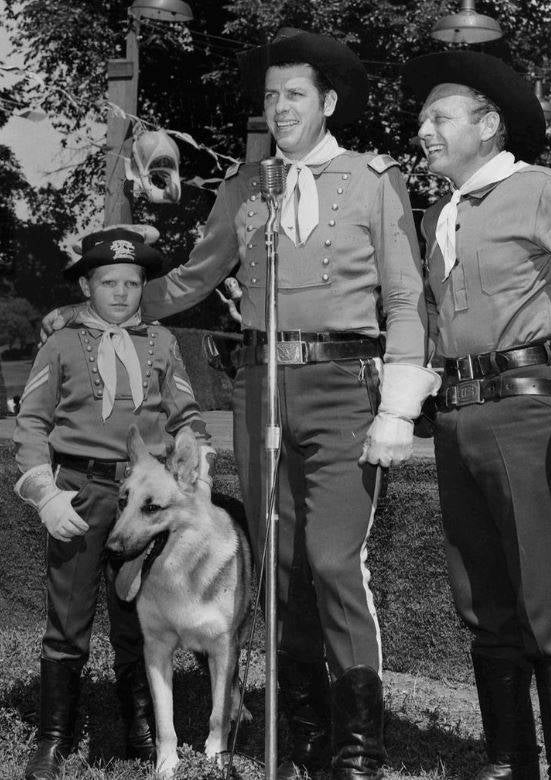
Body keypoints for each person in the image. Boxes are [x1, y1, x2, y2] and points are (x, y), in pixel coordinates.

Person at [42, 28, 439, 780]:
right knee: (279, 563)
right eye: (270, 96)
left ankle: (358, 745)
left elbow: (405, 298)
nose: (280, 107)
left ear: (327, 103)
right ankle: (303, 731)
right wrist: (106, 306)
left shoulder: (374, 178)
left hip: (342, 385)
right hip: (261, 387)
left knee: (332, 559)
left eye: (295, 94)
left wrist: (398, 406)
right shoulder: (245, 188)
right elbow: (192, 279)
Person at [401, 49, 551, 779]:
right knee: (480, 598)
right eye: (422, 119)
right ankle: (509, 762)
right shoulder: (438, 214)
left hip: (526, 413)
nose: (424, 131)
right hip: (457, 417)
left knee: (540, 599)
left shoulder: (542, 190)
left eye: (440, 117)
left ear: (489, 123)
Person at [14, 225, 210, 779]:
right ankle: (54, 737)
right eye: (108, 282)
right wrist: (45, 493)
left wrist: (195, 462)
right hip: (81, 492)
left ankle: (141, 729)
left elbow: (186, 415)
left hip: (142, 499)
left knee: (138, 614)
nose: (121, 293)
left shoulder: (163, 343)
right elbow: (31, 424)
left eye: (131, 282)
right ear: (87, 287)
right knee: (69, 614)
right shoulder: (60, 344)